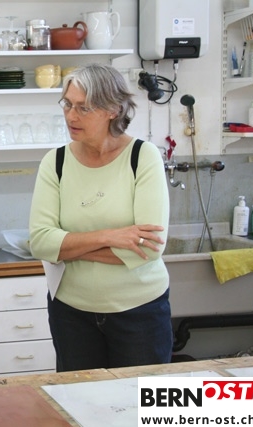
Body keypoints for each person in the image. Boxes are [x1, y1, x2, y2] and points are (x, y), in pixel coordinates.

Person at [28, 63, 172, 372]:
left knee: (138, 399)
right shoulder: (56, 162)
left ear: (113, 110)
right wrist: (111, 237)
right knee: (80, 400)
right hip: (71, 314)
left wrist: (69, 248)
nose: (71, 116)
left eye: (84, 108)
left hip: (140, 312)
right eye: (67, 104)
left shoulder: (142, 157)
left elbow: (149, 248)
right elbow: (40, 242)